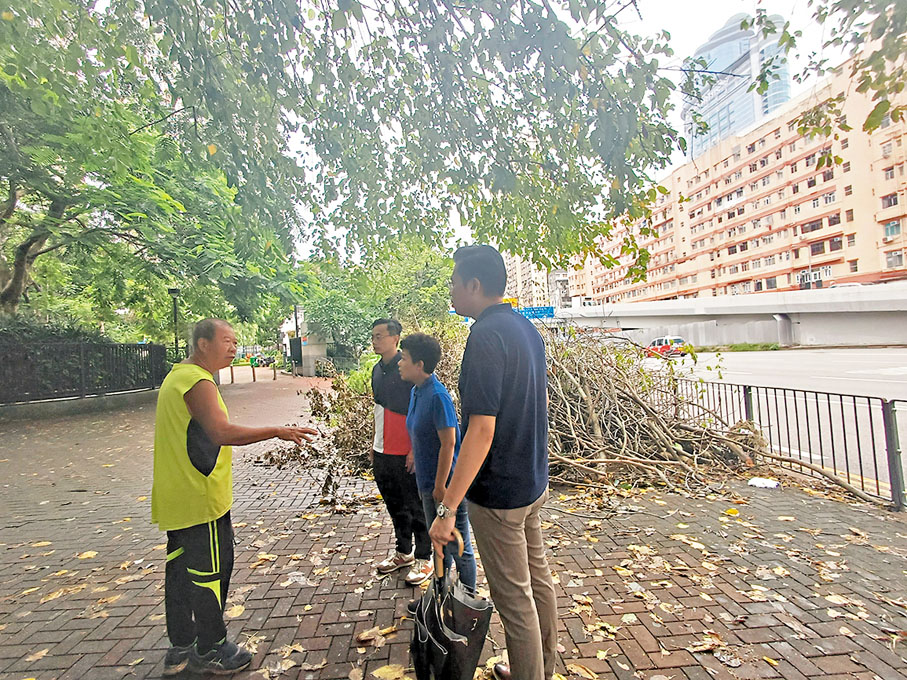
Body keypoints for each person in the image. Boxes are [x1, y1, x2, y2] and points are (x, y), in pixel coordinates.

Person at [152, 318, 317, 676]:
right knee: (210, 573)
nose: (232, 347)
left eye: (234, 341)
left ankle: (181, 646)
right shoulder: (196, 380)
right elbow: (221, 432)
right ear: (202, 343)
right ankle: (210, 649)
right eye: (226, 341)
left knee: (180, 573)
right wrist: (277, 430)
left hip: (177, 497)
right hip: (201, 499)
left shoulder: (177, 376)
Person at [429, 245, 557, 680]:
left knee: (514, 599)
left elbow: (480, 431)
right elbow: (534, 404)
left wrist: (447, 509)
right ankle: (540, 668)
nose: (450, 289)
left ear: (474, 286)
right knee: (537, 585)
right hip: (531, 484)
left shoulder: (485, 335)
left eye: (453, 282)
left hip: (501, 493)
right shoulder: (526, 328)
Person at [398, 332, 477, 600]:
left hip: (444, 484)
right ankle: (442, 596)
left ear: (419, 364)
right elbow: (418, 432)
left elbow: (449, 443)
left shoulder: (438, 397)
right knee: (439, 543)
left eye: (404, 358)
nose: (400, 362)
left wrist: (442, 486)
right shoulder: (416, 392)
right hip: (427, 482)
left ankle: (467, 602)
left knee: (458, 545)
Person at [370, 318, 433, 586]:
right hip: (382, 448)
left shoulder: (407, 369)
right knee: (394, 503)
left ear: (395, 338)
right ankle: (403, 552)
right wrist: (373, 445)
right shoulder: (376, 370)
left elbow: (418, 412)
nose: (375, 340)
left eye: (380, 336)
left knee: (415, 505)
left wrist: (413, 449)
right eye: (372, 336)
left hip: (405, 450)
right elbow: (377, 410)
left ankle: (424, 557)